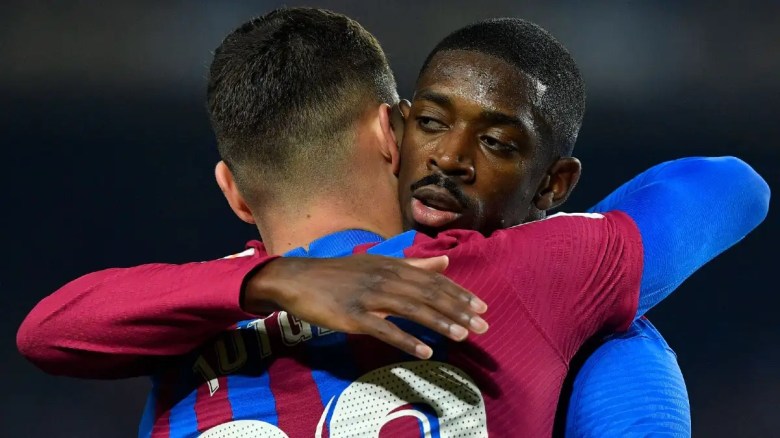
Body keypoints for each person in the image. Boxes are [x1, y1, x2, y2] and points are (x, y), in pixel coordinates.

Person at [17, 8, 769, 437]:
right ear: (392, 132)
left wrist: (267, 280)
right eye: (431, 123)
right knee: (624, 339)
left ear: (234, 192)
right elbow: (730, 185)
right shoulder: (499, 272)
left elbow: (44, 332)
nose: (449, 157)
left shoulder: (173, 316)